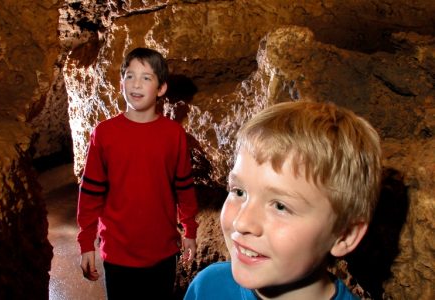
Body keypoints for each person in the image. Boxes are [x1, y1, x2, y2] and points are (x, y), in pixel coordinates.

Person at [185, 101, 382, 300]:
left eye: (280, 206)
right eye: (239, 192)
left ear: (344, 235)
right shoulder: (208, 286)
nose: (241, 222)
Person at [77, 47, 199, 299]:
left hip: (162, 251)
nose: (136, 83)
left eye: (146, 77)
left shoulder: (173, 134)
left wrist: (189, 229)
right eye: (130, 76)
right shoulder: (104, 133)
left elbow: (184, 187)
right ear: (121, 84)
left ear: (161, 88)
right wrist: (86, 243)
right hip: (118, 251)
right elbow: (90, 192)